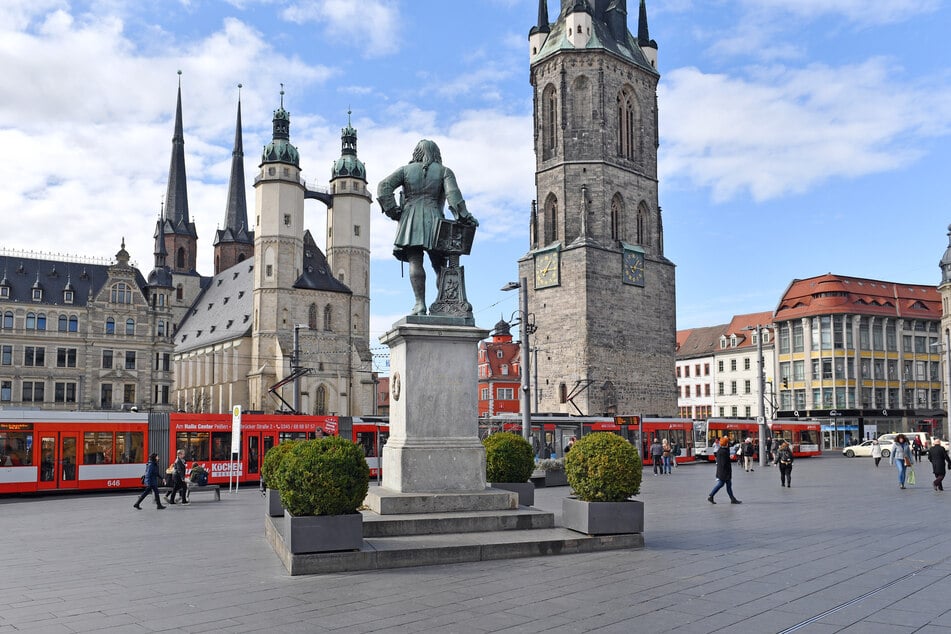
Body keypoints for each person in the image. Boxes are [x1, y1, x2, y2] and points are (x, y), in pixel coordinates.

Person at [377, 139, 479, 316]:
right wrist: (465, 216)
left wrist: (393, 211)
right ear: (437, 154)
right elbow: (453, 196)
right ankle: (445, 304)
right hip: (436, 220)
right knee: (440, 265)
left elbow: (383, 186)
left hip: (410, 220)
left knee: (415, 260)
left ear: (416, 153)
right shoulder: (444, 171)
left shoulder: (405, 170)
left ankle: (419, 304)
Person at [708, 437, 741, 504]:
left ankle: (732, 499)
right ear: (726, 443)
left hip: (721, 471)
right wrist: (729, 459)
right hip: (724, 472)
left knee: (726, 485)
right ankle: (711, 495)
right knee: (722, 484)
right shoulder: (724, 452)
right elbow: (724, 463)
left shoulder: (720, 450)